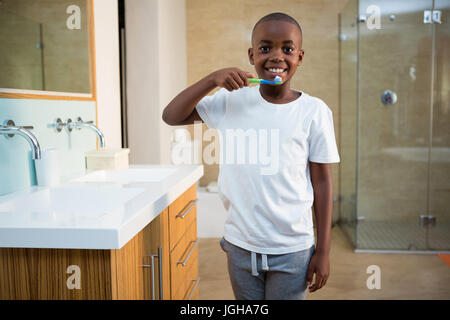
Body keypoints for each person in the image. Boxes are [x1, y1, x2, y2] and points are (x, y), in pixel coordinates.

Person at [162, 12, 340, 300]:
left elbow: (322, 182)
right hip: (240, 246)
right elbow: (171, 116)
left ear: (300, 56)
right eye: (266, 48)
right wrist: (211, 79)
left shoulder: (315, 111)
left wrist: (324, 250)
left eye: (288, 48)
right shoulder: (231, 101)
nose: (276, 57)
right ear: (251, 54)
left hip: (292, 249)